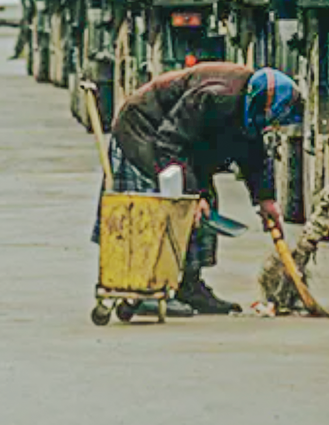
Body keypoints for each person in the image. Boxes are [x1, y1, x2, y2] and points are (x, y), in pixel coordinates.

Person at [93, 63, 301, 315]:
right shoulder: (215, 97)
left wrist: (265, 199)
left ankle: (189, 286)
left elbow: (252, 152)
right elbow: (170, 141)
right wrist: (194, 195)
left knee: (202, 210)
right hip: (145, 131)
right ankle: (143, 290)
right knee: (157, 210)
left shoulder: (248, 109)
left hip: (184, 146)